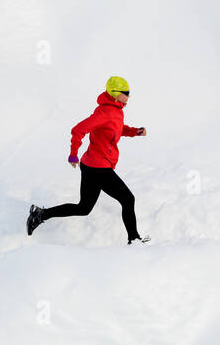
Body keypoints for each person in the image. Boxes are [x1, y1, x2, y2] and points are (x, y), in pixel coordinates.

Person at [27, 76, 150, 244]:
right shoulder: (105, 113)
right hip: (98, 168)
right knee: (128, 199)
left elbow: (117, 129)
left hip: (92, 165)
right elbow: (78, 129)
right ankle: (134, 240)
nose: (129, 96)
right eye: (126, 93)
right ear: (116, 94)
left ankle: (40, 214)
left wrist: (135, 131)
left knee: (84, 208)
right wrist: (73, 153)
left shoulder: (117, 111)